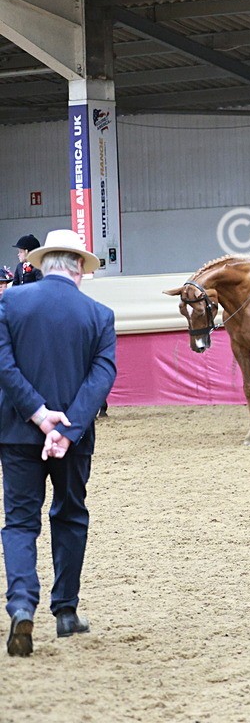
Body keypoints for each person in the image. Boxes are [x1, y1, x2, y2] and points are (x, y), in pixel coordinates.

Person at [0, 229, 116, 657]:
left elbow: (4, 364)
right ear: (79, 268)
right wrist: (66, 429)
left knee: (20, 522)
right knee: (70, 516)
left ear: (43, 263)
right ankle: (66, 611)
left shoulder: (10, 302)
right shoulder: (99, 314)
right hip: (75, 437)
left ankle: (21, 604)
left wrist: (37, 413)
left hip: (16, 430)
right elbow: (102, 375)